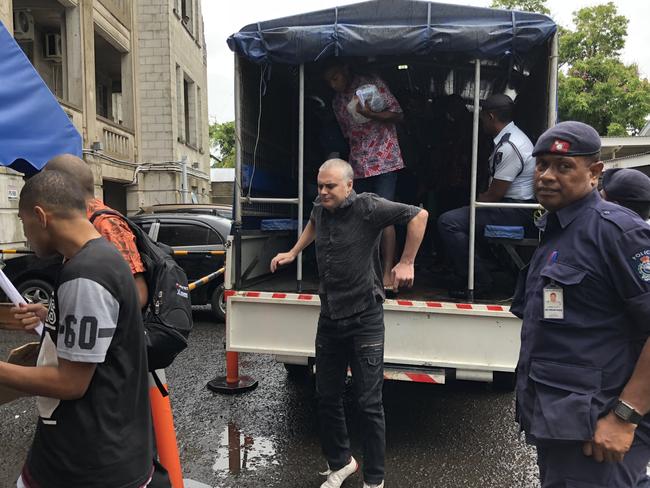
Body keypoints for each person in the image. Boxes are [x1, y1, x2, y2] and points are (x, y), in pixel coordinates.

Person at [270, 159, 428, 488]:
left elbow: (418, 215)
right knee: (326, 396)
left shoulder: (368, 207)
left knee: (368, 403)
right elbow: (314, 221)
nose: (323, 192)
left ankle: (374, 479)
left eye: (330, 186)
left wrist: (406, 261)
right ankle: (342, 463)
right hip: (330, 316)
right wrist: (294, 251)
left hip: (364, 317)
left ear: (349, 186)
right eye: (320, 185)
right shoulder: (321, 205)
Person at [511, 121, 650, 488]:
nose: (546, 176)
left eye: (563, 166)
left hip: (600, 432)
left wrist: (625, 416)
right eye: (541, 165)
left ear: (595, 173)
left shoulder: (617, 232)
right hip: (562, 424)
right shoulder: (556, 229)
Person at [1, 170, 153, 487]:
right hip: (94, 452)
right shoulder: (102, 257)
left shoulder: (86, 273)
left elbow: (70, 383)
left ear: (41, 216)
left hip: (87, 466)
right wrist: (51, 317)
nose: (24, 233)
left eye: (23, 220)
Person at [437, 93, 536, 298]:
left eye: (481, 117)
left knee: (449, 222)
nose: (480, 121)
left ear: (491, 116)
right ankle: (467, 271)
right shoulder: (512, 137)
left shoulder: (510, 146)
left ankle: (479, 281)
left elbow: (494, 195)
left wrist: (474, 201)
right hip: (510, 206)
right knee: (462, 213)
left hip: (514, 210)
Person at [324, 62, 405, 289]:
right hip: (359, 163)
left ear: (346, 70)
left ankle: (388, 271)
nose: (333, 83)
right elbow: (347, 134)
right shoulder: (337, 101)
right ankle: (362, 271)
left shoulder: (371, 84)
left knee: (384, 214)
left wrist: (371, 114)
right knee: (359, 215)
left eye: (335, 76)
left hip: (385, 160)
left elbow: (398, 115)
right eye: (329, 81)